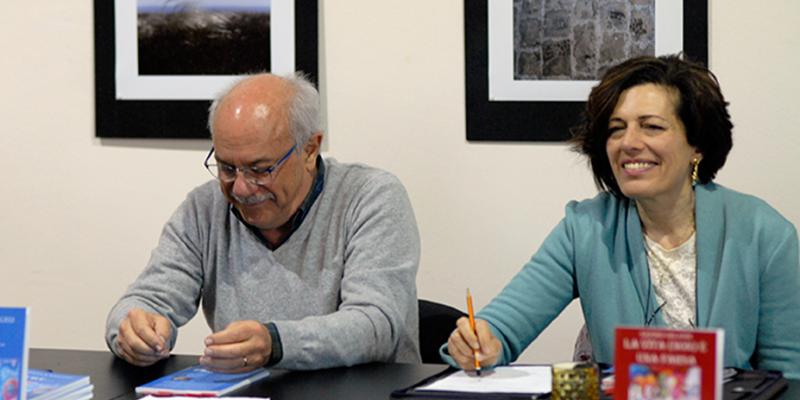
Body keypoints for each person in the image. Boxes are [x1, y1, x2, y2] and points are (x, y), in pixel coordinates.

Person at [444, 55, 800, 378]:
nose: (628, 142)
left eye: (652, 127)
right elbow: (502, 329)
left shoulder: (763, 232)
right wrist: (480, 343)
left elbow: (789, 373)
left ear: (697, 146)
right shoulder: (584, 228)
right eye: (616, 129)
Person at [106, 73, 421, 371]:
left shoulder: (370, 197)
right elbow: (145, 299)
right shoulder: (204, 209)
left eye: (260, 169)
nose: (241, 188)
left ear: (310, 149)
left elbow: (377, 325)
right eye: (227, 168)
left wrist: (275, 344)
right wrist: (133, 330)